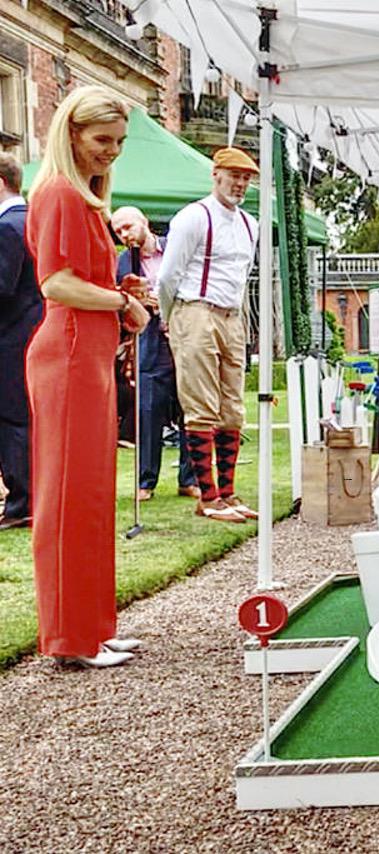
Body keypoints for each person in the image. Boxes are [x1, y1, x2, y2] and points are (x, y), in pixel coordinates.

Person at [25, 86, 149, 666]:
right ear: (71, 133)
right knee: (70, 497)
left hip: (87, 355)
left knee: (93, 495)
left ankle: (93, 627)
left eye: (121, 142)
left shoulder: (83, 199)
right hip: (69, 355)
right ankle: (71, 637)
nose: (113, 152)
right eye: (103, 140)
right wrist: (120, 303)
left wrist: (123, 296)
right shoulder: (58, 194)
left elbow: (83, 284)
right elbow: (56, 284)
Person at [156, 147, 261, 524]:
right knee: (201, 405)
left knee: (233, 406)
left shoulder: (251, 224)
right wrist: (172, 318)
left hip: (232, 314)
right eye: (234, 175)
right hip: (195, 309)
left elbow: (241, 276)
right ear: (215, 174)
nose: (240, 183)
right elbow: (167, 276)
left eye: (246, 177)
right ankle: (208, 495)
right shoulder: (193, 218)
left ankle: (228, 492)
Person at [111, 207, 198, 502]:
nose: (125, 234)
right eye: (119, 231)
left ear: (144, 222)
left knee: (191, 406)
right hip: (150, 342)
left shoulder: (174, 248)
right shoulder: (123, 263)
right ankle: (146, 481)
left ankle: (190, 479)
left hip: (184, 334)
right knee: (148, 410)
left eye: (128, 226)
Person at [0, 153, 42, 530]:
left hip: (12, 336)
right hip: (32, 334)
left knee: (13, 420)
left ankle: (22, 503)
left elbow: (2, 287)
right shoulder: (31, 220)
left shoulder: (8, 226)